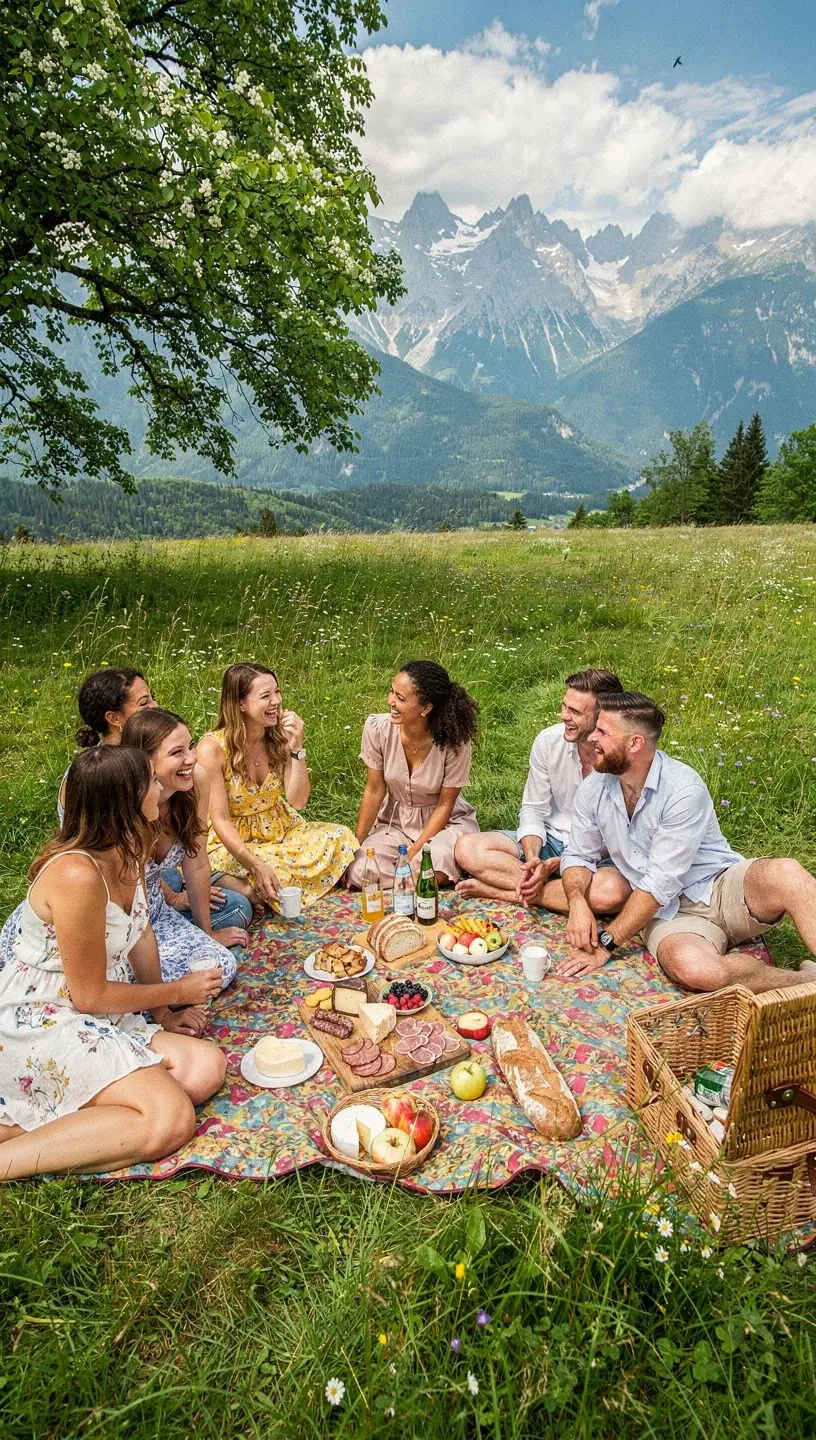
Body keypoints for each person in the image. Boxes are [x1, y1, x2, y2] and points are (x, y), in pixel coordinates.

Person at [0, 747, 226, 1181]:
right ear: (125, 801)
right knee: (173, 1119)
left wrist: (162, 1014)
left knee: (204, 1069)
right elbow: (89, 995)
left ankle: (32, 1118)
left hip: (103, 1016)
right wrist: (178, 992)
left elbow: (140, 934)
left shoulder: (128, 849)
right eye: (152, 784)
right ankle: (15, 1154)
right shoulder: (77, 875)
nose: (161, 789)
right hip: (46, 1018)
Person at [557, 690, 816, 992]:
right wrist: (577, 902)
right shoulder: (595, 789)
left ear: (635, 744)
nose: (592, 739)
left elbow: (660, 882)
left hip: (719, 885)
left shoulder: (682, 788)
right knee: (698, 971)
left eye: (602, 732)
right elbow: (577, 855)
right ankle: (804, 980)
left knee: (787, 873)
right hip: (670, 915)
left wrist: (606, 943)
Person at [454, 668, 631, 915]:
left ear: (603, 717)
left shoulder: (623, 758)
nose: (563, 716)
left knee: (612, 893)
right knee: (467, 848)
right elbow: (533, 809)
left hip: (600, 855)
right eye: (564, 706)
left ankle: (510, 893)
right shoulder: (549, 741)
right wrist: (534, 859)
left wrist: (564, 864)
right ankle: (550, 890)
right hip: (552, 840)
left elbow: (624, 837)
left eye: (575, 712)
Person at [197, 664, 357, 911]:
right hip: (234, 839)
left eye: (277, 692)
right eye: (266, 696)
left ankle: (255, 887)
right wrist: (256, 865)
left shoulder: (278, 737)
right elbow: (220, 820)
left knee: (341, 836)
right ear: (240, 704)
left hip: (281, 828)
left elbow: (298, 801)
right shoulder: (212, 749)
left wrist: (296, 748)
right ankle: (241, 885)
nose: (277, 702)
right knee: (272, 871)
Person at [122, 709, 253, 1008]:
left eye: (190, 746)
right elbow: (129, 914)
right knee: (170, 986)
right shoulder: (126, 807)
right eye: (177, 752)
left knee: (218, 967)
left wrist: (207, 934)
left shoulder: (195, 782)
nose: (192, 758)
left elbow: (196, 862)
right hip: (121, 924)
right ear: (145, 762)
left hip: (154, 910)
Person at [346, 661, 480, 888]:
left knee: (431, 864)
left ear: (425, 708)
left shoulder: (454, 742)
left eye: (400, 698)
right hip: (395, 822)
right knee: (360, 870)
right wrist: (355, 844)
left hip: (444, 823)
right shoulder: (378, 728)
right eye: (392, 692)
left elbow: (445, 805)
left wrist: (413, 852)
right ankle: (408, 882)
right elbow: (374, 789)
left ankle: (413, 877)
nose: (391, 701)